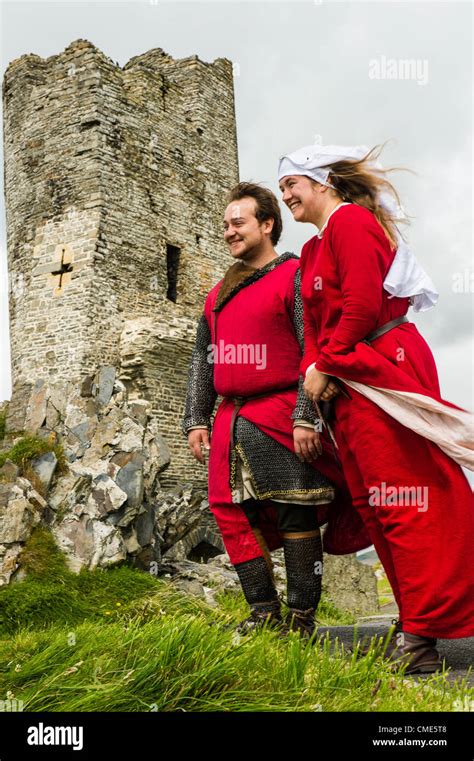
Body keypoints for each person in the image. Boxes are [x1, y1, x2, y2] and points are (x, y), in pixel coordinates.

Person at [278, 143, 474, 672]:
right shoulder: (316, 249)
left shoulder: (351, 223)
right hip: (349, 382)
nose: (286, 195)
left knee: (407, 498)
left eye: (292, 184)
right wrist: (316, 376)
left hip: (381, 364)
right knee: (374, 505)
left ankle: (422, 632)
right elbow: (317, 331)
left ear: (323, 182)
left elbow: (363, 304)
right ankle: (417, 620)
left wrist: (329, 362)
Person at [182, 181, 370, 637]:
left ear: (267, 225)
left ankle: (302, 619)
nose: (229, 231)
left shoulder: (294, 275)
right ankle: (264, 613)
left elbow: (315, 348)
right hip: (230, 421)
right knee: (232, 514)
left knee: (295, 512)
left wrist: (306, 413)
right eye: (225, 224)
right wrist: (195, 420)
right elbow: (201, 363)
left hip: (283, 412)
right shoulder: (215, 295)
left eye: (238, 222)